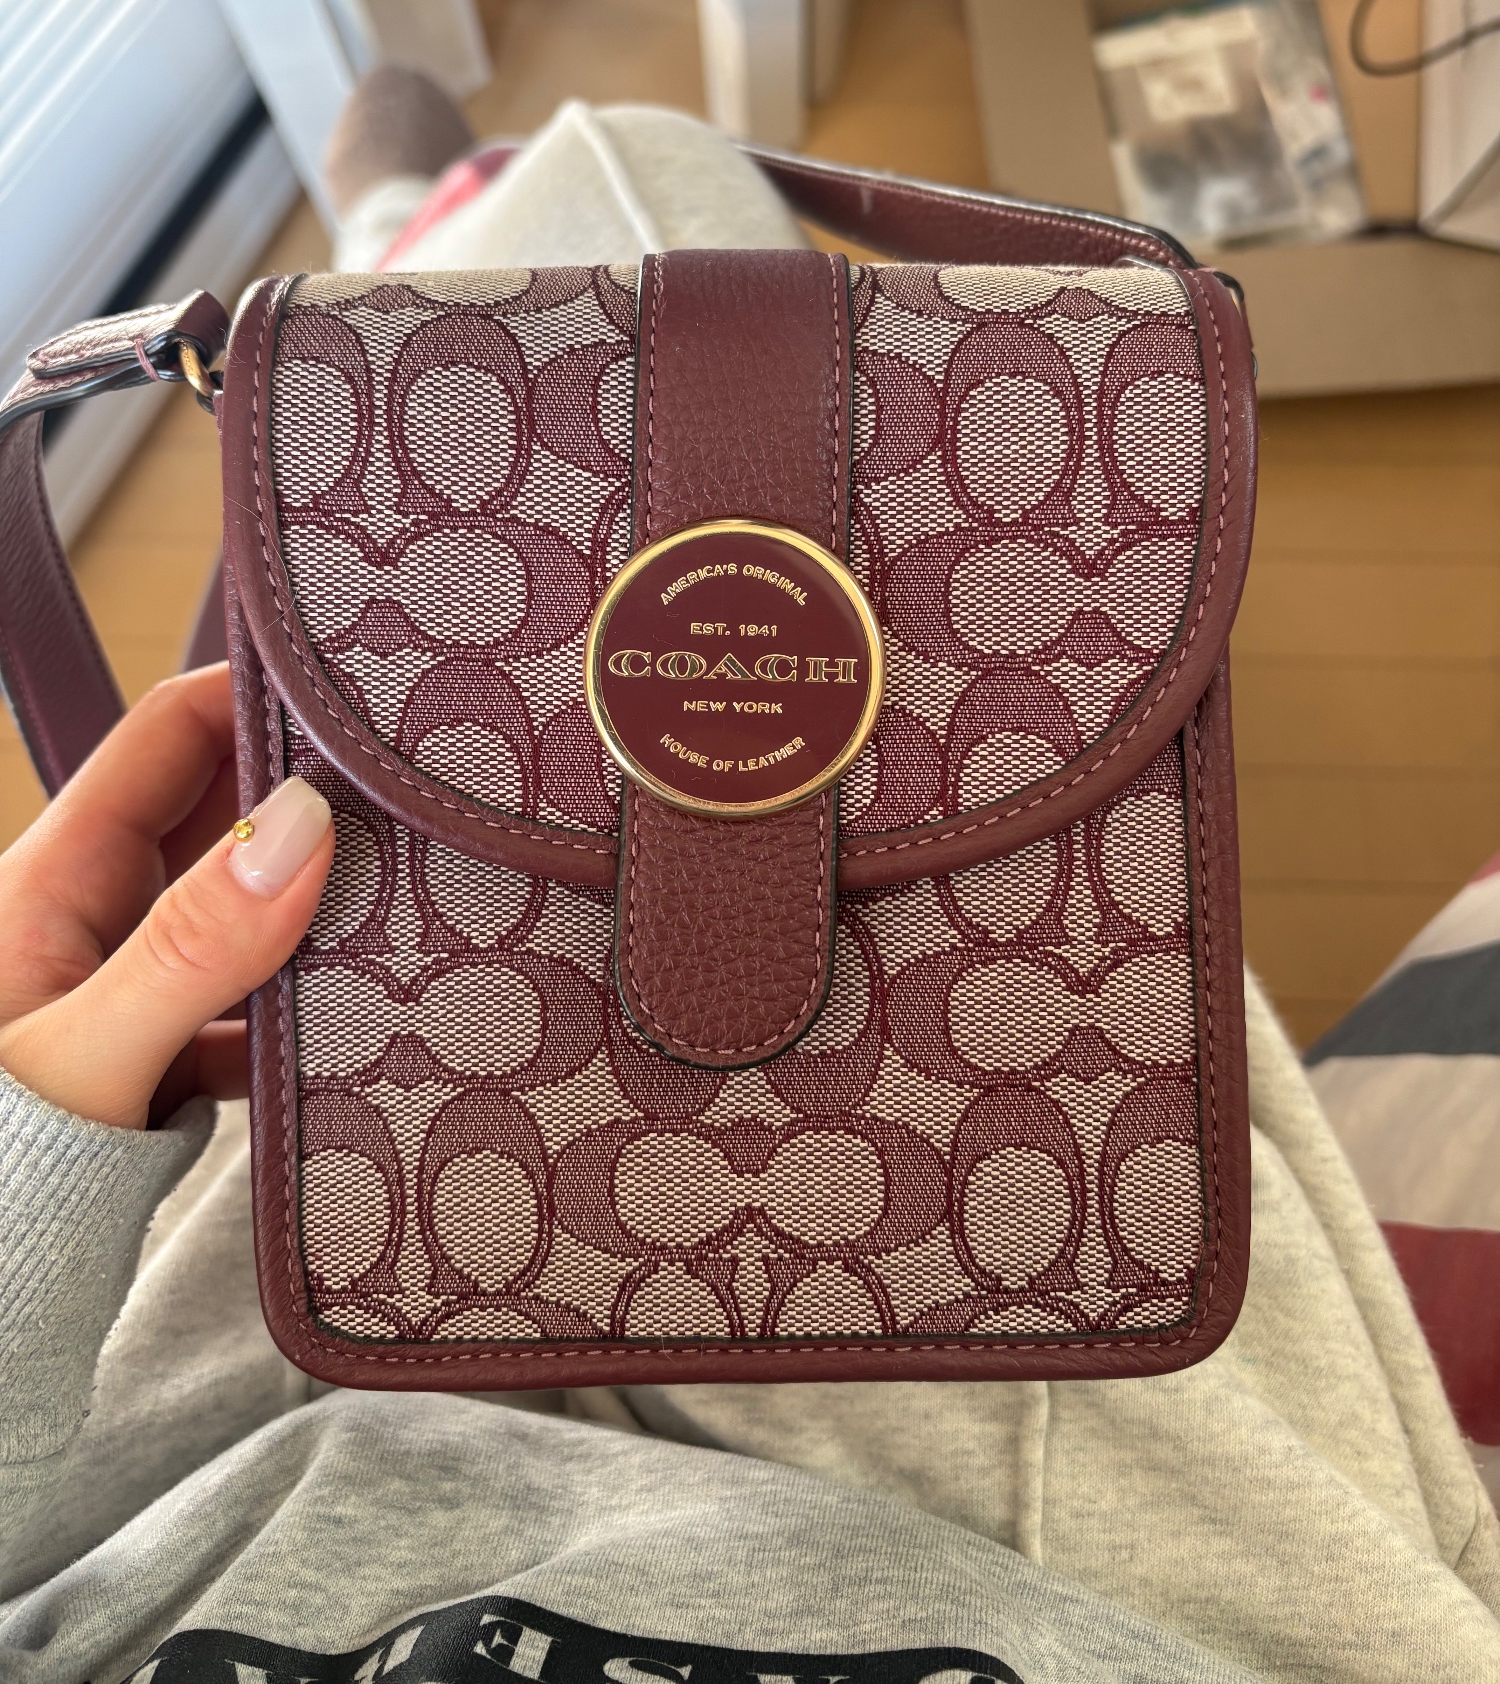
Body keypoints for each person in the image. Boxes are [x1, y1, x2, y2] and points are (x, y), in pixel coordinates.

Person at [3, 82, 1498, 1684]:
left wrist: (28, 1186)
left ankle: (388, 267)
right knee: (641, 177)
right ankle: (410, 255)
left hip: (223, 1379)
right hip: (1122, 1493)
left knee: (469, 335)